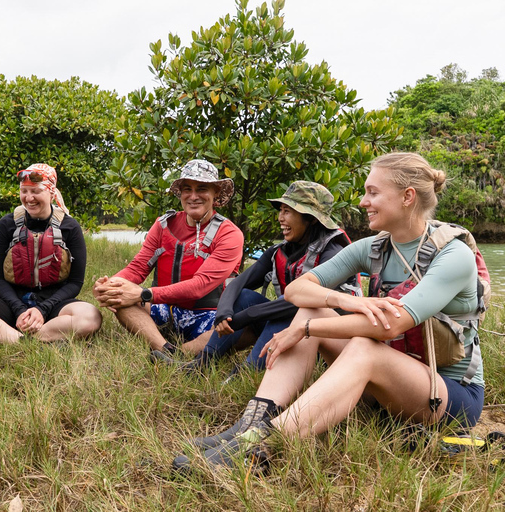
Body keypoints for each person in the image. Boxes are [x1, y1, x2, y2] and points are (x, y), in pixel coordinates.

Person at [173, 152, 485, 474]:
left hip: (446, 397)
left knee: (363, 347)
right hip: (387, 388)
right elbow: (297, 290)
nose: (363, 202)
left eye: (373, 192)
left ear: (407, 197)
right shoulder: (374, 247)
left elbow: (391, 325)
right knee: (314, 306)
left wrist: (306, 329)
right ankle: (249, 424)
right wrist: (350, 302)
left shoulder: (453, 254)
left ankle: (266, 442)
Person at [160, 181, 361, 374]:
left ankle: (246, 372)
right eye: (280, 210)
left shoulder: (334, 252)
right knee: (245, 296)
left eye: (288, 212)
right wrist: (224, 312)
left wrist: (249, 315)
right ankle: (202, 364)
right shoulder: (280, 251)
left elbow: (303, 303)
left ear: (311, 219)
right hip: (293, 324)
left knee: (285, 310)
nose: (281, 218)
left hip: (327, 338)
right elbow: (239, 283)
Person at [93, 159, 243, 355]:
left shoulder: (230, 234)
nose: (193, 196)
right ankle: (163, 348)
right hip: (165, 311)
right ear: (180, 193)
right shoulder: (164, 224)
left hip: (209, 316)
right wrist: (111, 285)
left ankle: (182, 352)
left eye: (202, 189)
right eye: (187, 189)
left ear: (216, 193)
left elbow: (200, 285)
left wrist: (143, 294)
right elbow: (138, 267)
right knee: (123, 301)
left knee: (241, 325)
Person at [0, 163, 102, 343]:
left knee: (91, 317)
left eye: (35, 191)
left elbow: (75, 282)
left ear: (51, 193)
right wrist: (19, 310)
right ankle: (21, 340)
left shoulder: (70, 227)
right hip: (12, 306)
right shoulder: (7, 224)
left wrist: (42, 310)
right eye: (24, 191)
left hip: (53, 307)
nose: (29, 198)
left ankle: (29, 338)